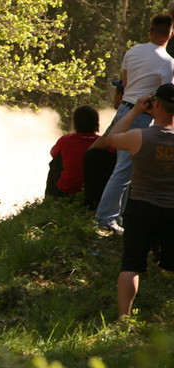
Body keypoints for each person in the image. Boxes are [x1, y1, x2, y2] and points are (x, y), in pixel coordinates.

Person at [91, 14, 174, 235]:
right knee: (125, 171)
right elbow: (165, 98)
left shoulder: (133, 51)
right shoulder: (167, 62)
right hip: (143, 115)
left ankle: (120, 217)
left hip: (124, 110)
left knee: (127, 169)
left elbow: (126, 83)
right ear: (171, 34)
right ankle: (105, 219)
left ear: (150, 31)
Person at [104, 83, 174, 318]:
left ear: (155, 104)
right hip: (172, 210)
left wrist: (134, 111)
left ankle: (123, 317)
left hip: (141, 208)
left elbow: (112, 138)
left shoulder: (139, 137)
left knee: (131, 265)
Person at [45, 105, 100, 197]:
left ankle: (50, 200)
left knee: (55, 162)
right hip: (94, 191)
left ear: (75, 123)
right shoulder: (103, 142)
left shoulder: (65, 140)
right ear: (96, 123)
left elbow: (53, 153)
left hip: (66, 190)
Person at [83, 81, 121, 210]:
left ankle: (93, 205)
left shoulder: (126, 113)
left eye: (115, 93)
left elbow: (105, 142)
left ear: (121, 96)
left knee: (93, 155)